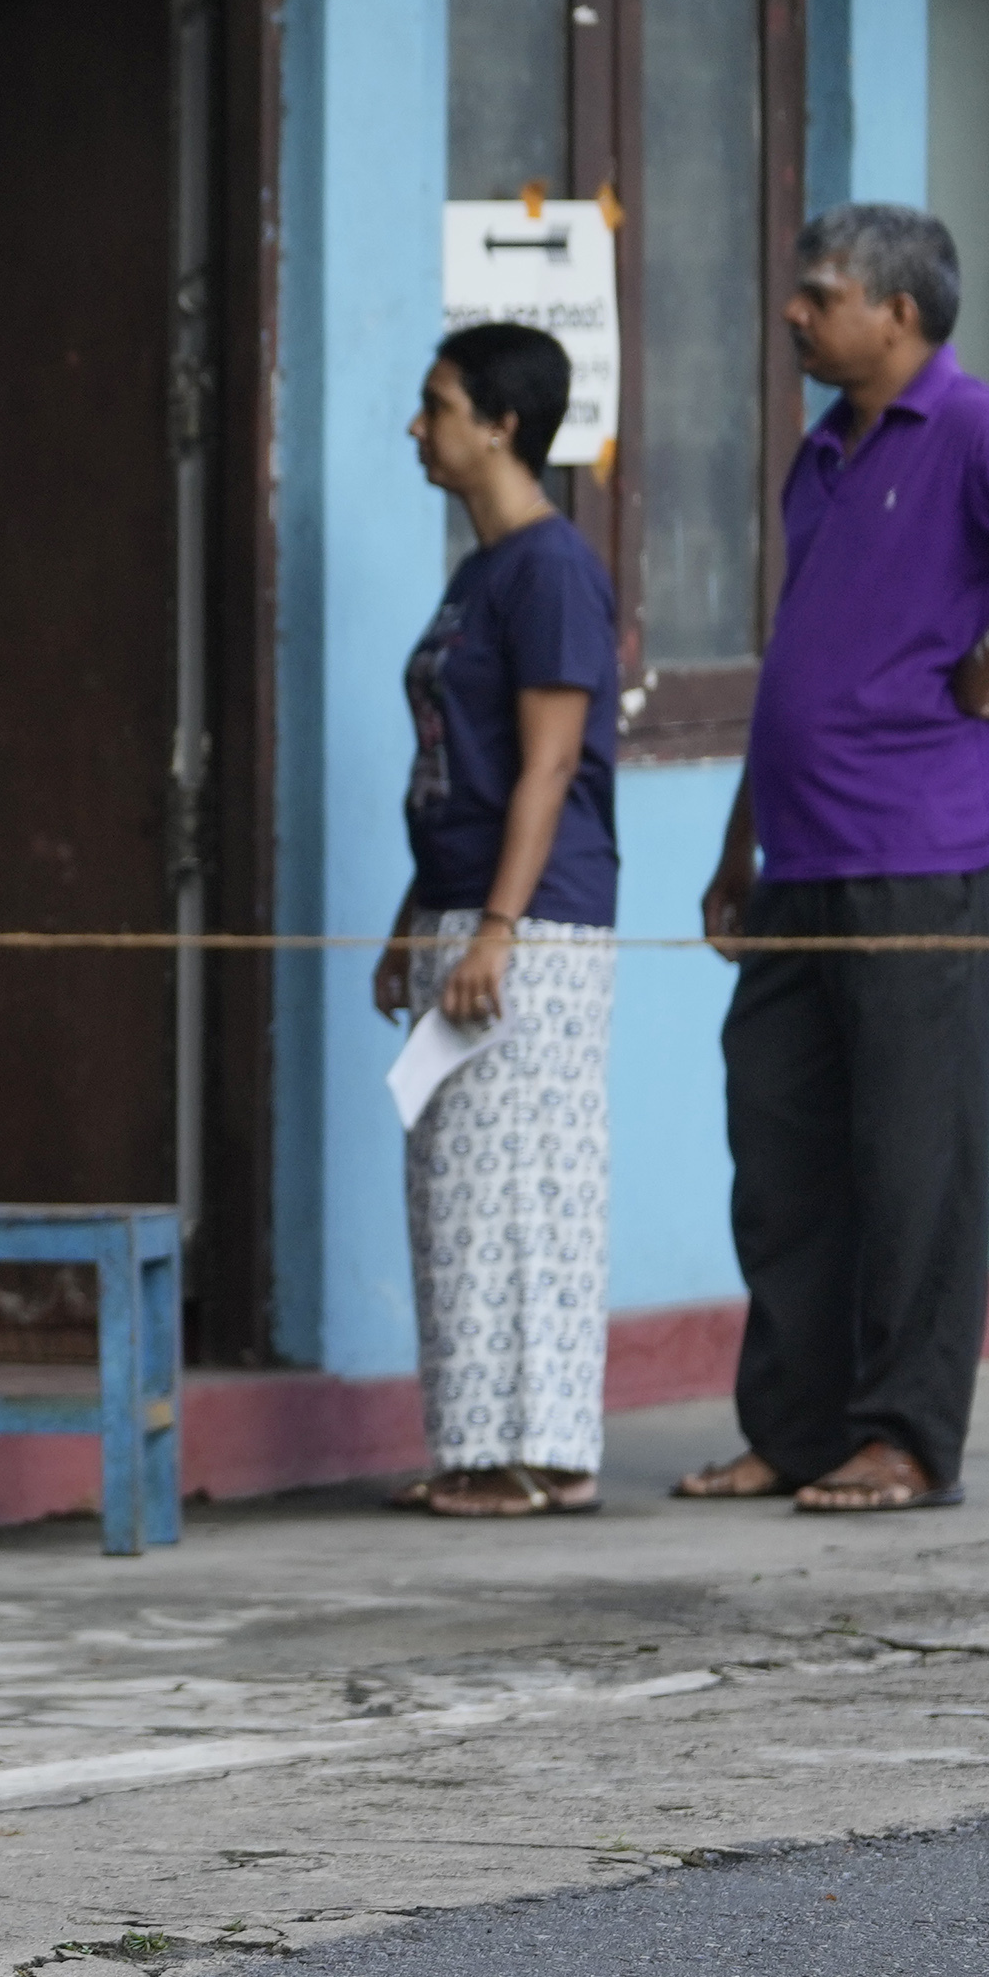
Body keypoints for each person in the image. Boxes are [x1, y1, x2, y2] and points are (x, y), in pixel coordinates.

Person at [687, 207, 989, 1516]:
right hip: (803, 856)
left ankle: (907, 1436)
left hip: (933, 850)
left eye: (819, 295)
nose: (795, 315)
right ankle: (799, 1428)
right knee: (783, 1143)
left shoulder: (977, 429)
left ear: (899, 315)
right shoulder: (821, 453)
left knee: (919, 1155)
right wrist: (737, 839)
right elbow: (805, 650)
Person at [370, 323, 623, 1520]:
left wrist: (496, 930)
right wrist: (415, 915)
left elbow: (547, 761)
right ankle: (484, 1447)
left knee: (524, 1188)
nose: (418, 428)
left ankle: (534, 1453)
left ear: (500, 424)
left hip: (533, 924)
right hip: (466, 909)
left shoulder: (549, 567)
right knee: (457, 1187)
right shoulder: (476, 571)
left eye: (436, 405)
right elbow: (454, 767)